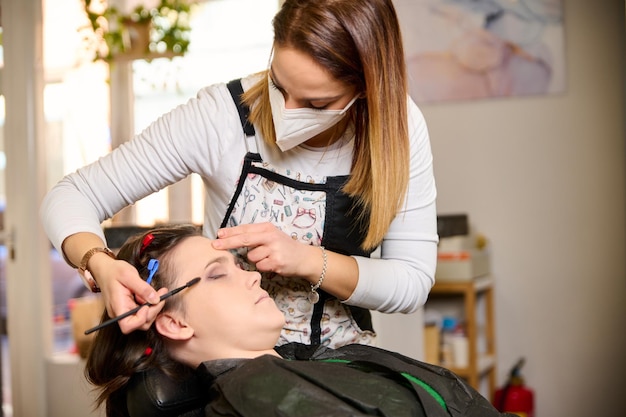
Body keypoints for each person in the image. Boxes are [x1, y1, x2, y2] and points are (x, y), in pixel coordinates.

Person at [40, 0, 438, 348]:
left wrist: (306, 260)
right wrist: (100, 263)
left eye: (316, 103)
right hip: (231, 362)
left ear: (367, 88)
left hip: (342, 363)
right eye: (278, 86)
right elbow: (71, 195)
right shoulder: (219, 117)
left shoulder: (397, 126)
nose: (286, 114)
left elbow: (411, 282)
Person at [85, 225, 511, 417]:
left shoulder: (295, 365)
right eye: (218, 274)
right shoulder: (259, 397)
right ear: (174, 324)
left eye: (237, 265)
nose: (253, 275)